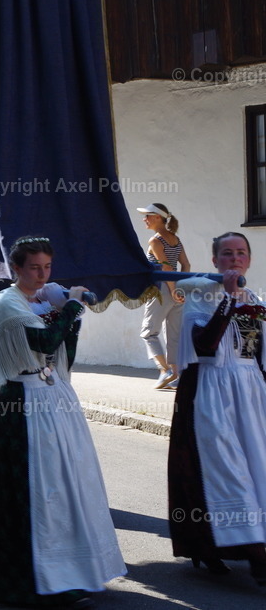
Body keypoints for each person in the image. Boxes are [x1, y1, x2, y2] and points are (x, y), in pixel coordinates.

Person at [0, 236, 126, 607]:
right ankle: (33, 580)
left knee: (68, 484)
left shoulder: (35, 301)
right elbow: (42, 343)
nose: (42, 275)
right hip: (21, 404)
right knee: (38, 491)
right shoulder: (8, 302)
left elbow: (61, 350)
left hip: (52, 398)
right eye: (34, 268)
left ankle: (70, 573)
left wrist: (67, 316)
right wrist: (69, 307)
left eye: (47, 268)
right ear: (18, 269)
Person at [168, 232, 266, 585]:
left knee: (257, 468)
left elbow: (257, 352)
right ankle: (255, 554)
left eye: (241, 253)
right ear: (215, 261)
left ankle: (247, 543)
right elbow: (205, 346)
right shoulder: (200, 295)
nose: (234, 259)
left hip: (251, 394)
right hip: (213, 391)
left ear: (249, 260)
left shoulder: (255, 298)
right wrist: (227, 299)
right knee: (226, 470)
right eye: (227, 254)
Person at [137, 203, 191, 390]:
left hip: (161, 289)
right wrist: (180, 287)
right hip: (177, 290)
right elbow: (186, 265)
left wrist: (173, 289)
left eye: (148, 216)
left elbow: (166, 267)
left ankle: (165, 370)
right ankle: (176, 377)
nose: (144, 219)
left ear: (158, 217)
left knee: (148, 332)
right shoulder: (175, 239)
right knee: (174, 335)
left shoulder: (155, 241)